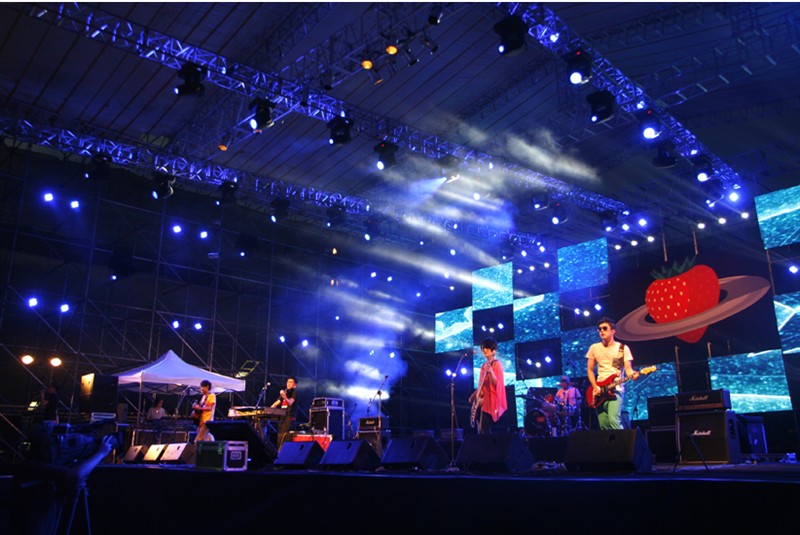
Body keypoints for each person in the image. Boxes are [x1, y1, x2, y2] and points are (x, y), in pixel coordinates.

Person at [586, 317, 640, 430]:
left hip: (616, 390)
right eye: (599, 329)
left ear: (613, 331)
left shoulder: (622, 348)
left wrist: (634, 375)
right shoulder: (594, 348)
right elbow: (590, 370)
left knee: (613, 420)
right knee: (604, 425)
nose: (601, 331)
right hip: (599, 391)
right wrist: (595, 386)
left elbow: (628, 370)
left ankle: (623, 441)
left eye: (605, 328)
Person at [468, 337, 507, 435]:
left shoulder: (496, 364)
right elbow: (481, 384)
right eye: (483, 350)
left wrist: (490, 372)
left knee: (484, 430)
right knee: (480, 429)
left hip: (491, 401)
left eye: (487, 350)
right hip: (483, 401)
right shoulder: (483, 365)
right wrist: (475, 395)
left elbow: (496, 383)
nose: (484, 352)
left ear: (493, 351)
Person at [271, 377, 297, 450]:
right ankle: (279, 451)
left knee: (285, 435)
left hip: (289, 417)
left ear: (295, 385)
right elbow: (277, 402)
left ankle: (284, 451)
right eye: (288, 382)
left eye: (291, 382)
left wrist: (285, 397)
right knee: (280, 435)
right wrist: (269, 409)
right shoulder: (285, 391)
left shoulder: (294, 392)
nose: (288, 384)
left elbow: (290, 402)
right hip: (282, 417)